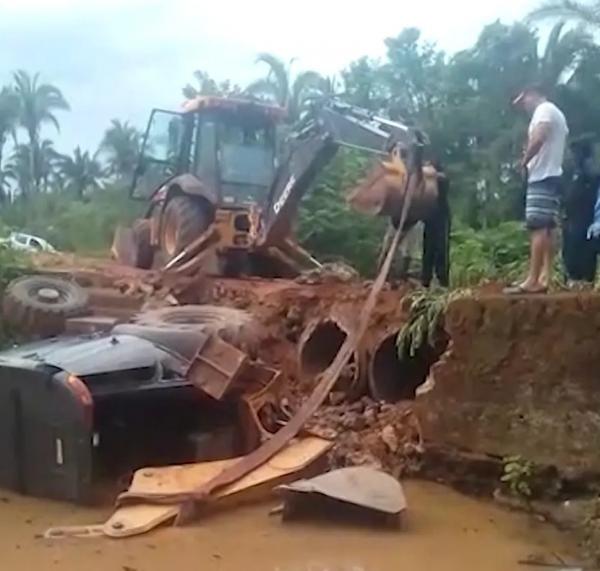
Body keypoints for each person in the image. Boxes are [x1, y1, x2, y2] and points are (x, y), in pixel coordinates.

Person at [507, 85, 569, 294]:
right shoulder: (556, 112)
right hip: (552, 174)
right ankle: (545, 277)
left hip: (542, 176)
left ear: (531, 94)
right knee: (548, 227)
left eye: (523, 101)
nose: (523, 106)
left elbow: (539, 137)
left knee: (538, 226)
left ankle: (532, 280)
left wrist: (525, 161)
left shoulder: (544, 110)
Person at [563, 136, 599, 285]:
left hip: (589, 226)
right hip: (572, 225)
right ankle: (574, 279)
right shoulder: (573, 176)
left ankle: (583, 281)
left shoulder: (593, 178)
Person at [422, 162, 451, 287]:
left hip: (441, 216)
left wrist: (430, 174)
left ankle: (442, 280)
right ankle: (425, 281)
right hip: (429, 216)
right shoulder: (424, 183)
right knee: (428, 249)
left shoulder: (441, 179)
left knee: (441, 249)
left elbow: (443, 177)